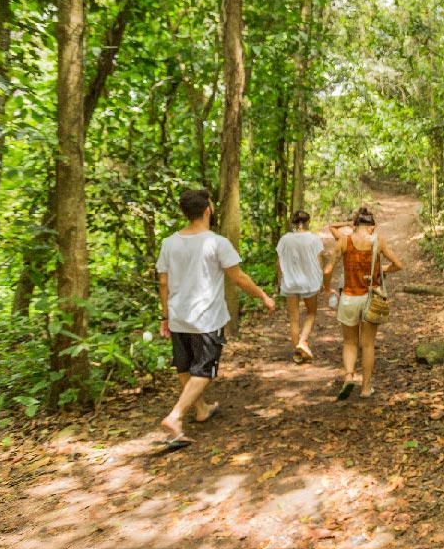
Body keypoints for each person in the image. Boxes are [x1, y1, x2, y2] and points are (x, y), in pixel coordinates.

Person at [156, 189, 275, 447]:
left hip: (178, 316)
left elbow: (163, 282)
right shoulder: (217, 242)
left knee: (185, 365)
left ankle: (201, 409)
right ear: (208, 209)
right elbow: (238, 277)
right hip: (205, 318)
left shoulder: (169, 243)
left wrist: (165, 315)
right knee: (204, 370)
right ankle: (175, 417)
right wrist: (263, 296)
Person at [322, 206, 402, 400]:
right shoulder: (378, 242)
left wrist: (327, 289)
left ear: (355, 225)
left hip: (349, 298)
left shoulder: (343, 241)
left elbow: (327, 270)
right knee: (368, 345)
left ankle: (349, 376)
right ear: (372, 227)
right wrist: (382, 269)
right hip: (370, 298)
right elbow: (398, 265)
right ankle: (366, 388)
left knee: (349, 342)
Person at [276, 210, 326, 363]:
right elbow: (319, 261)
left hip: (290, 282)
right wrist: (322, 280)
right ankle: (302, 341)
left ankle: (297, 352)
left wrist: (280, 281)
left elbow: (278, 263)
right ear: (308, 222)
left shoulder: (285, 239)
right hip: (309, 282)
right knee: (311, 313)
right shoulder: (313, 239)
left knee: (294, 319)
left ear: (294, 223)